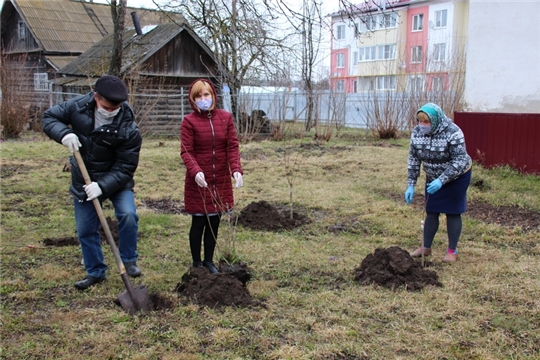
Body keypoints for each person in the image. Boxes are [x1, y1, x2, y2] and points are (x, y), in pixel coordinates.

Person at [42, 75, 143, 289]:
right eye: (109, 105)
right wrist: (64, 134)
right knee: (86, 229)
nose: (113, 109)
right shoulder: (77, 106)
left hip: (116, 180)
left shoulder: (129, 127)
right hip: (84, 177)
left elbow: (126, 167)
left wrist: (102, 186)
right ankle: (95, 271)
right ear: (96, 97)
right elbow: (49, 117)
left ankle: (129, 260)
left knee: (128, 214)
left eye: (118, 106)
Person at [180, 79, 243, 274]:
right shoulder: (189, 121)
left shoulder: (225, 118)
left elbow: (232, 146)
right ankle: (197, 263)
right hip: (199, 180)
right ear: (193, 99)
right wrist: (196, 171)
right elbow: (186, 151)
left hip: (221, 179)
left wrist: (236, 169)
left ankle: (209, 261)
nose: (203, 99)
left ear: (213, 96)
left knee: (214, 221)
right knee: (199, 220)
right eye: (198, 96)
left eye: (206, 95)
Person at [404, 103, 472, 263]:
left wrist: (442, 180)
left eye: (426, 122)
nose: (423, 126)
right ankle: (425, 247)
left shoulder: (453, 132)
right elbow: (414, 159)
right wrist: (411, 184)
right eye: (420, 122)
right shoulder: (417, 133)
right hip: (433, 176)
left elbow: (460, 160)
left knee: (453, 211)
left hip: (457, 177)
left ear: (436, 121)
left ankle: (452, 251)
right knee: (432, 210)